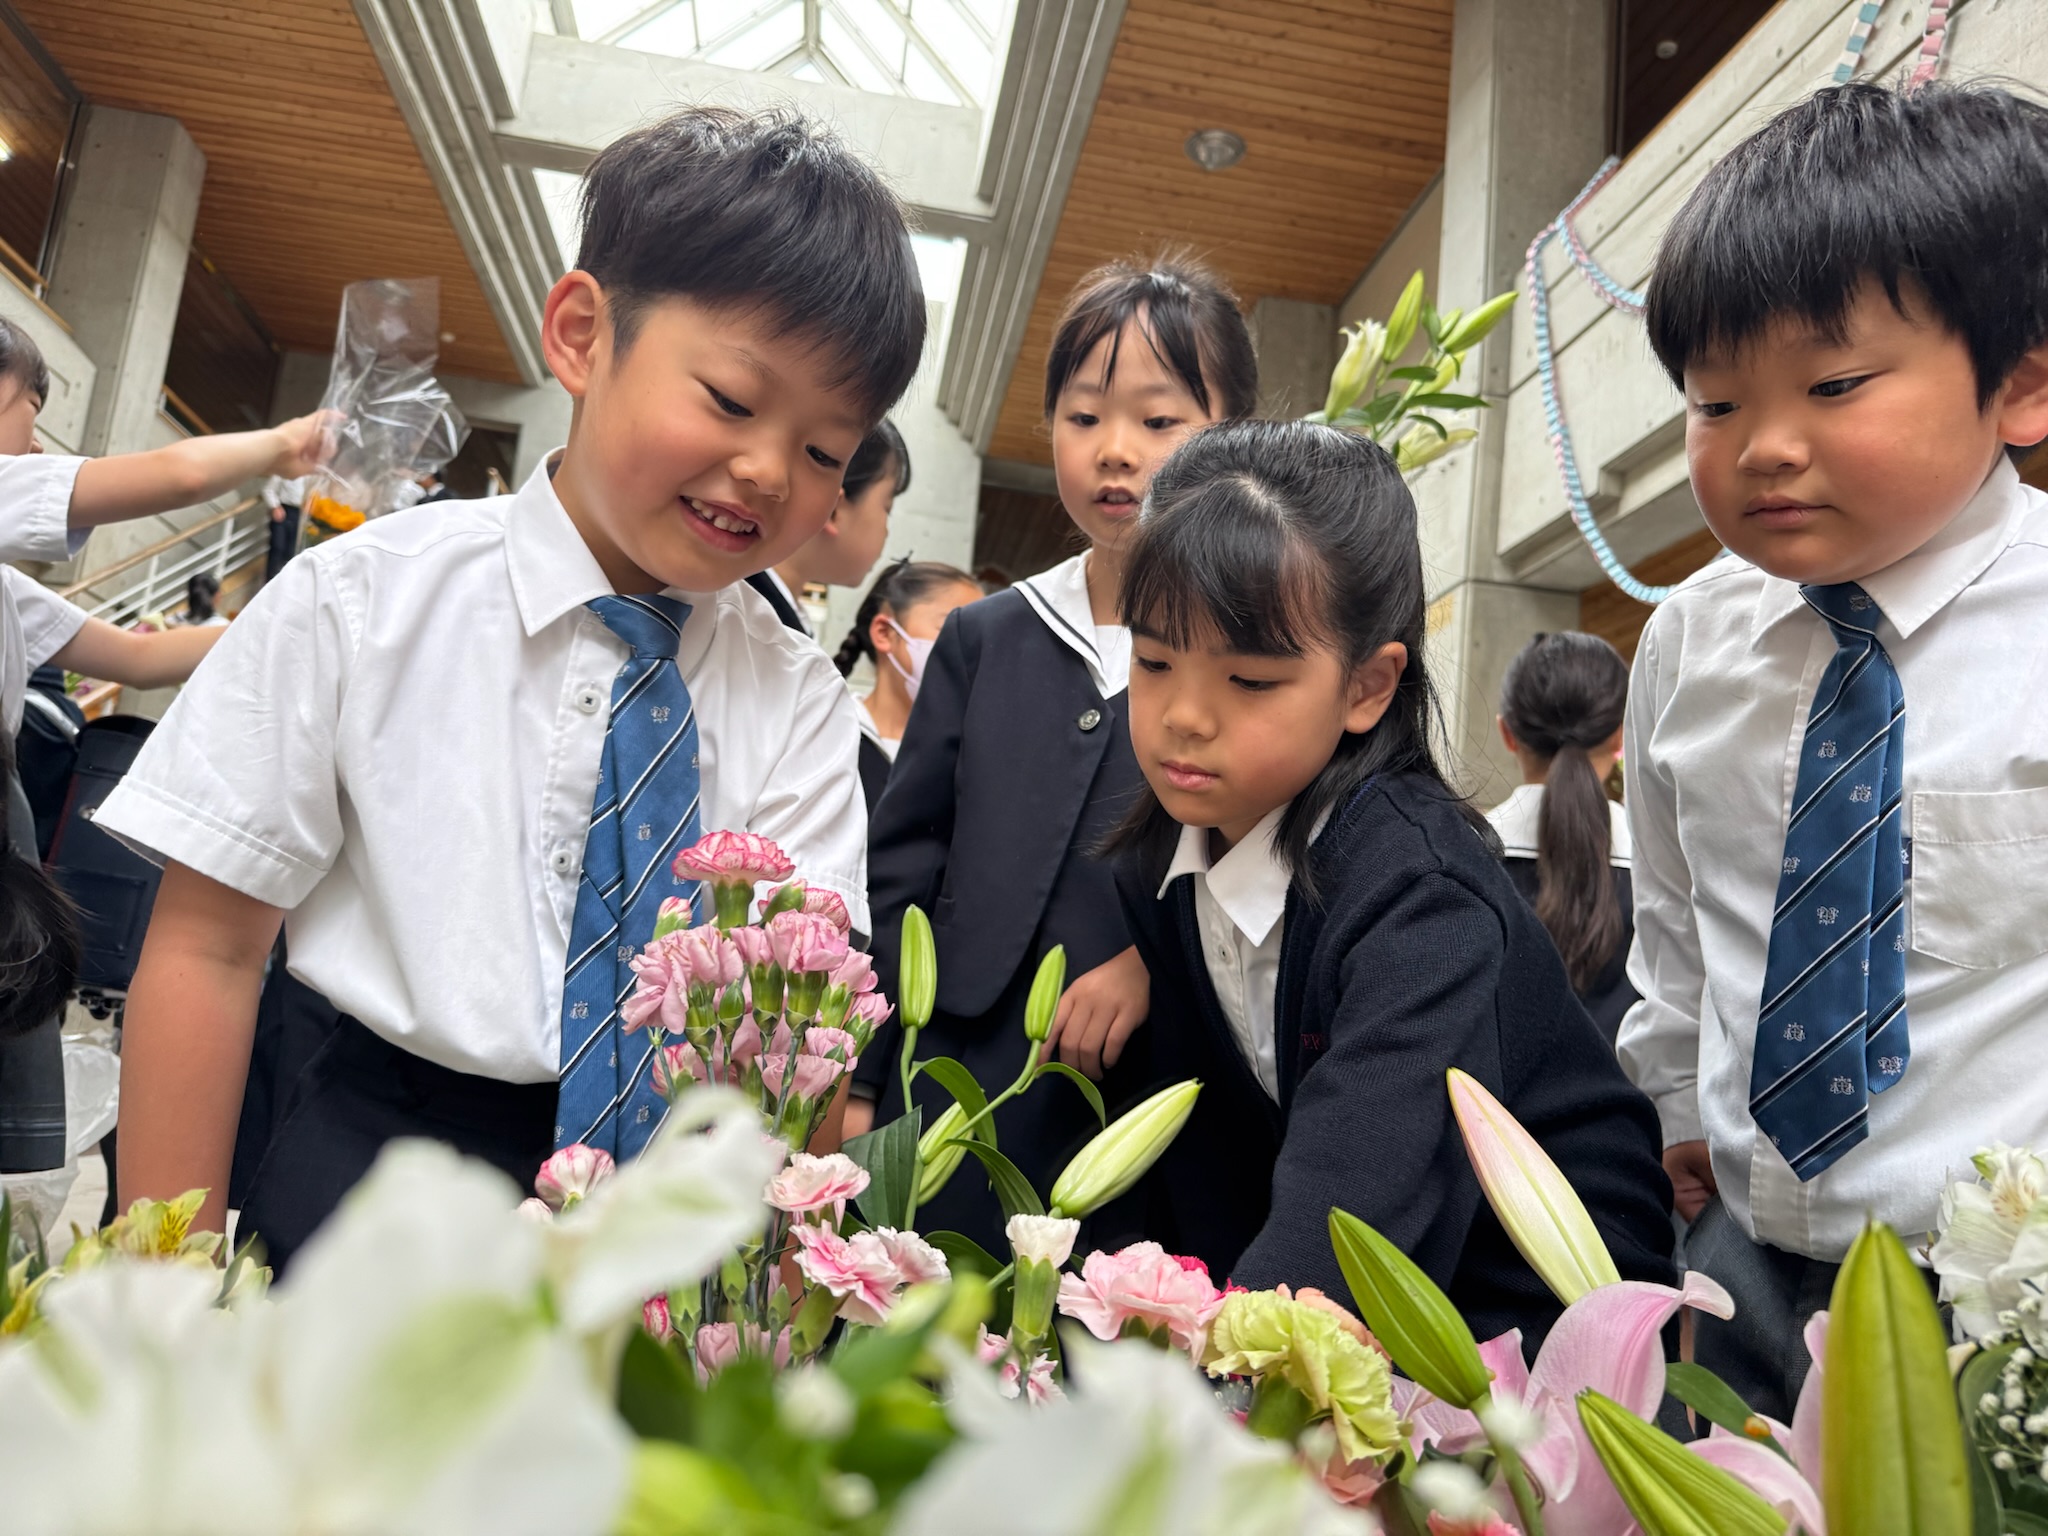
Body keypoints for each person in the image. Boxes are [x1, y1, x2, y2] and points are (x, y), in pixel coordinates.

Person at [94, 106, 927, 1269]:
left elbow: (790, 1020)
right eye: (734, 402)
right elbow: (209, 949)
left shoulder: (792, 695)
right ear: (583, 334)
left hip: (666, 1208)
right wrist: (158, 1286)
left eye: (825, 452)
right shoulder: (362, 601)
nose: (765, 471)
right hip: (372, 1171)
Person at [1619, 81, 2048, 1420]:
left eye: (1833, 383)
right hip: (1744, 1251)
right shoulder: (1688, 642)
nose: (1766, 449)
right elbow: (1680, 915)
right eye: (1714, 403)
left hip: (1993, 1295)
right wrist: (1678, 1103)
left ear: (2021, 383)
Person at [1109, 420, 1675, 1345]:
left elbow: (1358, 1201)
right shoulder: (1162, 857)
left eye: (1250, 680)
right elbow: (1214, 1164)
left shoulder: (1423, 896)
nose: (1183, 717)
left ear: (1369, 688)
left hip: (1536, 1325)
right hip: (1358, 1300)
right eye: (1154, 661)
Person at [849, 255, 1259, 1252]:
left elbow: (1264, 851)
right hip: (958, 1057)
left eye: (1158, 423)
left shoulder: (1254, 654)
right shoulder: (990, 636)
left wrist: (1154, 959)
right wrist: (867, 1073)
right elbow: (904, 856)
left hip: (1149, 1080)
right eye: (1083, 419)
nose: (1114, 451)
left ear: (1234, 435)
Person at [0, 316, 328, 1176]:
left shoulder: (8, 594)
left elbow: (142, 655)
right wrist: (285, 443)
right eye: (24, 415)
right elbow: (177, 468)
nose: (35, 448)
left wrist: (315, 619)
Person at [1490, 631, 1638, 1043]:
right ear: (1620, 737)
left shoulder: (1456, 855)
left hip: (1481, 1107)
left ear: (1507, 733)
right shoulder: (1664, 865)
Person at [830, 556, 982, 812]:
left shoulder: (969, 754)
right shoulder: (831, 733)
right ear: (884, 633)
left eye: (979, 636)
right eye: (954, 628)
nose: (971, 648)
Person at [747, 418, 909, 635]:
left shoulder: (774, 617)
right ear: (834, 509)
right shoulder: (751, 621)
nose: (887, 531)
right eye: (887, 509)